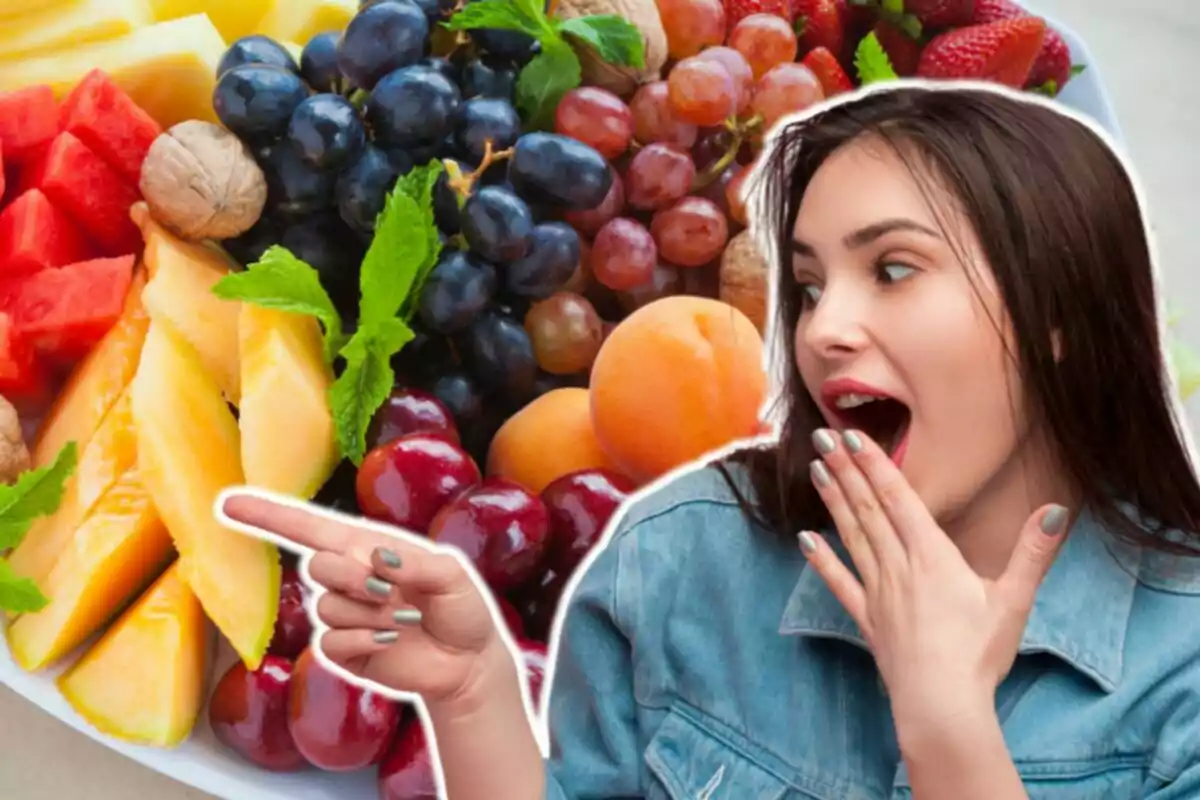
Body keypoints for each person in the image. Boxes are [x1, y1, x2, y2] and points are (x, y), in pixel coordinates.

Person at [219, 82, 1200, 799]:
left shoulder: (1182, 670)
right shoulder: (684, 550)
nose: (821, 331)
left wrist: (950, 731)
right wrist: (474, 694)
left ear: (1055, 311)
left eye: (894, 269)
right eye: (811, 286)